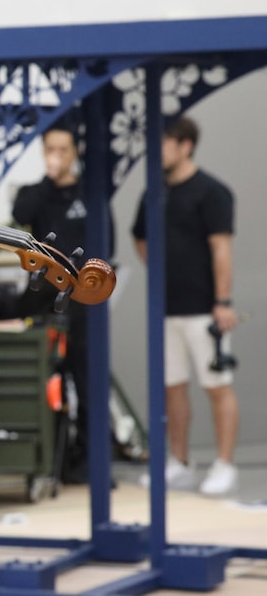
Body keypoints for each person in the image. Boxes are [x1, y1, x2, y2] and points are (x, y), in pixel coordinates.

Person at [132, 115, 238, 496]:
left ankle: (224, 464)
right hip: (167, 308)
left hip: (205, 309)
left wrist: (222, 302)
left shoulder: (212, 192)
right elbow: (140, 238)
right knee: (172, 387)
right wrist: (162, 273)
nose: (157, 150)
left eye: (164, 142)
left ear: (185, 145)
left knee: (217, 386)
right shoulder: (154, 193)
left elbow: (221, 249)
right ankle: (179, 460)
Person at [10, 123, 106, 484]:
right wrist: (48, 180)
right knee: (41, 376)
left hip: (83, 303)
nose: (57, 156)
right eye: (51, 149)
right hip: (42, 300)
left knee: (87, 380)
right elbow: (21, 214)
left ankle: (89, 463)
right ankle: (47, 459)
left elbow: (106, 243)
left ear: (74, 152)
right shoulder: (36, 193)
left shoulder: (89, 195)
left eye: (63, 150)